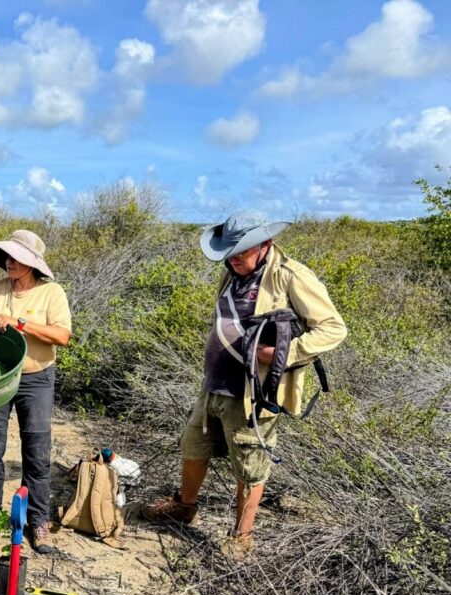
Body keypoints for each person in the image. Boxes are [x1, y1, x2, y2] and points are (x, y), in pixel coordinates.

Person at [139, 210, 347, 558]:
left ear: (265, 244)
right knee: (194, 447)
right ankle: (185, 507)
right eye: (229, 252)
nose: (233, 258)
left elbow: (333, 328)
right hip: (214, 384)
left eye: (241, 251)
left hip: (254, 392)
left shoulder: (290, 276)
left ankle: (241, 536)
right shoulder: (232, 272)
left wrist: (283, 353)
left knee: (250, 463)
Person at [0, 230, 72, 554]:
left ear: (32, 264)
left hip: (36, 378)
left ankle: (37, 521)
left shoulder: (51, 293)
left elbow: (62, 336)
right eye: (7, 256)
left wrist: (19, 323)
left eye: (17, 258)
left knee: (37, 452)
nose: (9, 262)